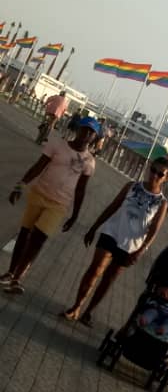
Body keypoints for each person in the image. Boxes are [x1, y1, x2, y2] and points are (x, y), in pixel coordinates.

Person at [61, 157, 168, 327]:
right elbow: (113, 206)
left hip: (131, 246)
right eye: (153, 170)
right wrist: (94, 227)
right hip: (111, 233)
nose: (155, 175)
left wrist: (140, 251)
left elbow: (154, 230)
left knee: (108, 279)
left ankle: (88, 312)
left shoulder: (162, 203)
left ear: (166, 178)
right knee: (95, 270)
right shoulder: (132, 186)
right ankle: (76, 307)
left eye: (160, 174)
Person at [0, 118, 100, 295]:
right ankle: (10, 272)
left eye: (91, 132)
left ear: (95, 137)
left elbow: (81, 189)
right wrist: (19, 187)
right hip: (39, 194)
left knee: (38, 238)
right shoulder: (58, 145)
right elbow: (38, 166)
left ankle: (17, 279)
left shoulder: (89, 162)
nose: (86, 134)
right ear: (78, 129)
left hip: (59, 205)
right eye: (85, 129)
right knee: (24, 233)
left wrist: (75, 215)